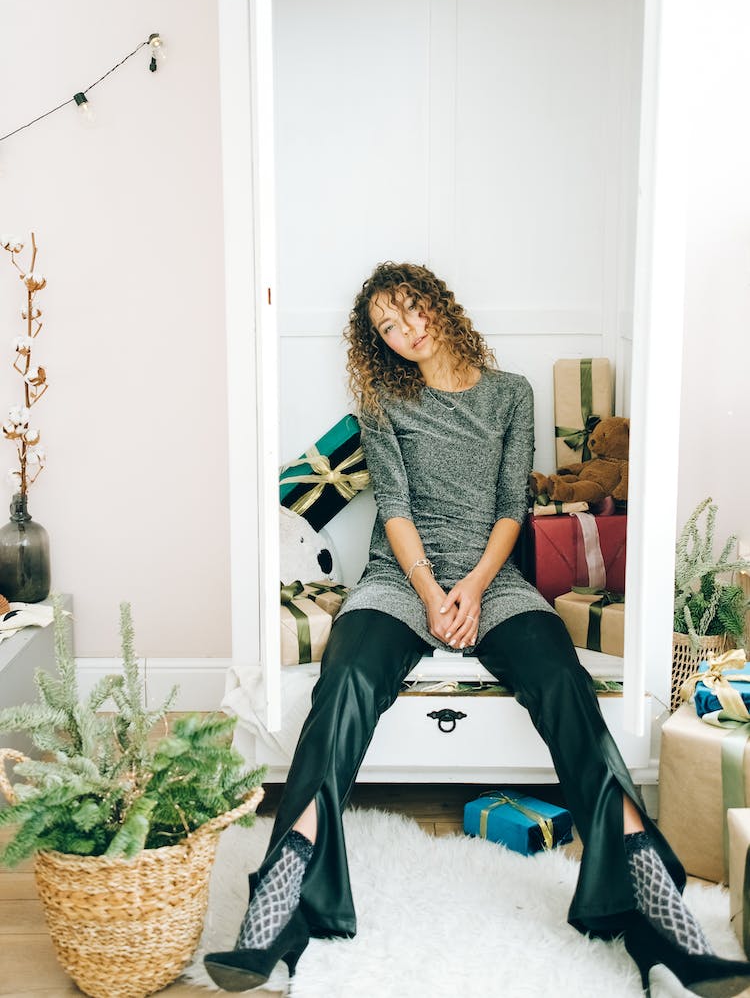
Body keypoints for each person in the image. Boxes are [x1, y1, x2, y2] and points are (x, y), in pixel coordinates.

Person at [205, 262, 750, 996]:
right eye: (387, 328)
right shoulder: (382, 400)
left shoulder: (510, 394)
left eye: (409, 310)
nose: (405, 332)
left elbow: (509, 510)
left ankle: (649, 900)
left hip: (493, 581)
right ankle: (282, 899)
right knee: (344, 687)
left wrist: (471, 587)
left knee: (564, 683)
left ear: (437, 302)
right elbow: (393, 509)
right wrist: (432, 592)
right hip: (402, 580)